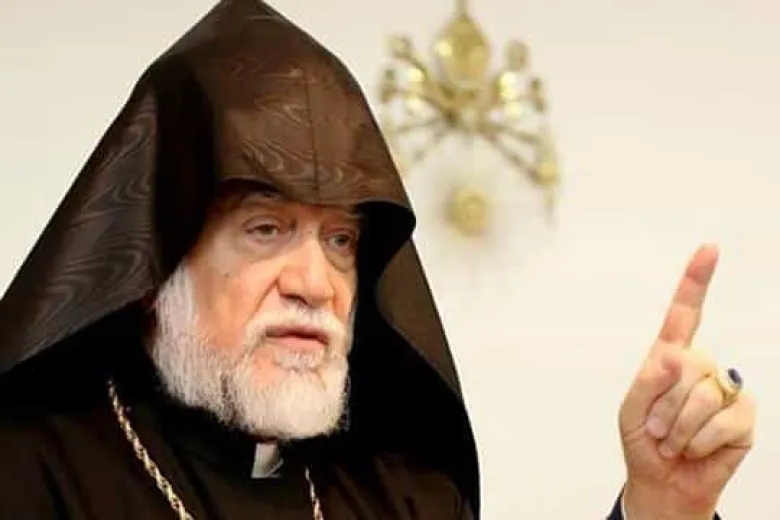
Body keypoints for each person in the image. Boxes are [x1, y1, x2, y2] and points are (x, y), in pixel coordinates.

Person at [0, 1, 754, 518]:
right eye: (265, 228)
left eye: (340, 241)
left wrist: (663, 507)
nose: (316, 285)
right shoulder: (27, 472)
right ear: (154, 269)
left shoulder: (403, 493)